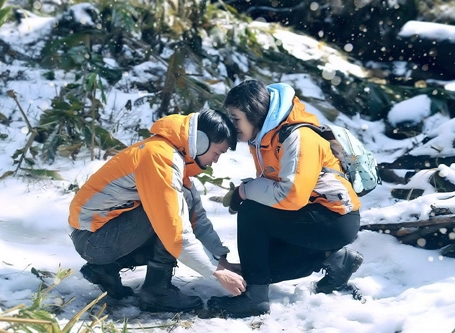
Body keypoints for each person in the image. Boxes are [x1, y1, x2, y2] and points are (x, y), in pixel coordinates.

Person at [207, 79, 363, 317]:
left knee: (251, 211)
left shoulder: (298, 136)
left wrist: (244, 191)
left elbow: (291, 195)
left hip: (333, 218)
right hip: (312, 217)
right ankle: (335, 259)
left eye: (235, 117)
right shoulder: (265, 138)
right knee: (263, 268)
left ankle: (254, 299)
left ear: (254, 112)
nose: (232, 124)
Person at [68, 109, 246, 313]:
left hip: (97, 235)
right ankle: (157, 292)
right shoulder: (160, 158)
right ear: (201, 141)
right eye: (217, 153)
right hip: (94, 240)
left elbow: (197, 218)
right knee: (169, 215)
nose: (215, 160)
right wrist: (217, 272)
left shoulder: (171, 155)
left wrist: (221, 261)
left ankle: (103, 269)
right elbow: (176, 231)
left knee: (182, 202)